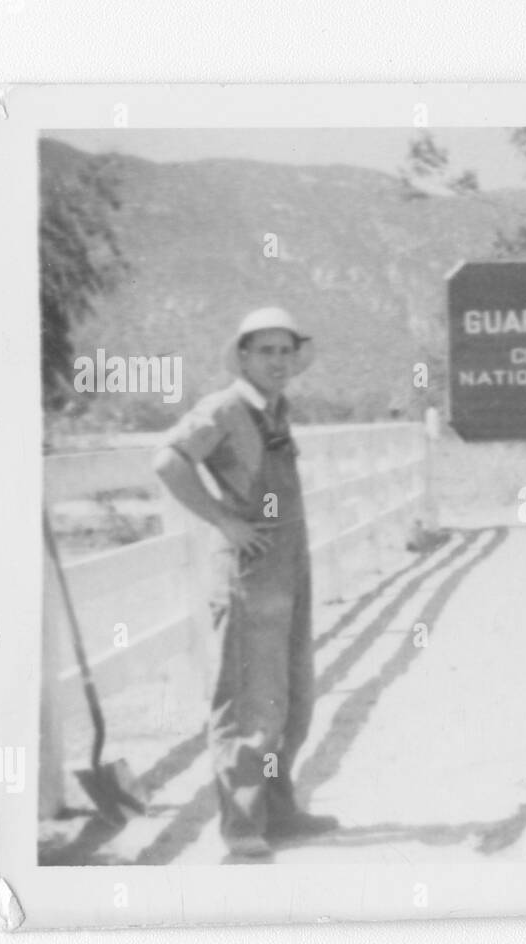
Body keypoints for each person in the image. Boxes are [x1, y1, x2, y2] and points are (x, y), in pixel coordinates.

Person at [153, 307, 338, 860]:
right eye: (266, 352)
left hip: (289, 564)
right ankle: (241, 824)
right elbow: (168, 461)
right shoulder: (225, 409)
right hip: (250, 573)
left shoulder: (276, 410)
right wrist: (224, 520)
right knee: (249, 699)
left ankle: (279, 811)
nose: (278, 362)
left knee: (294, 694)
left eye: (286, 351)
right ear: (243, 357)